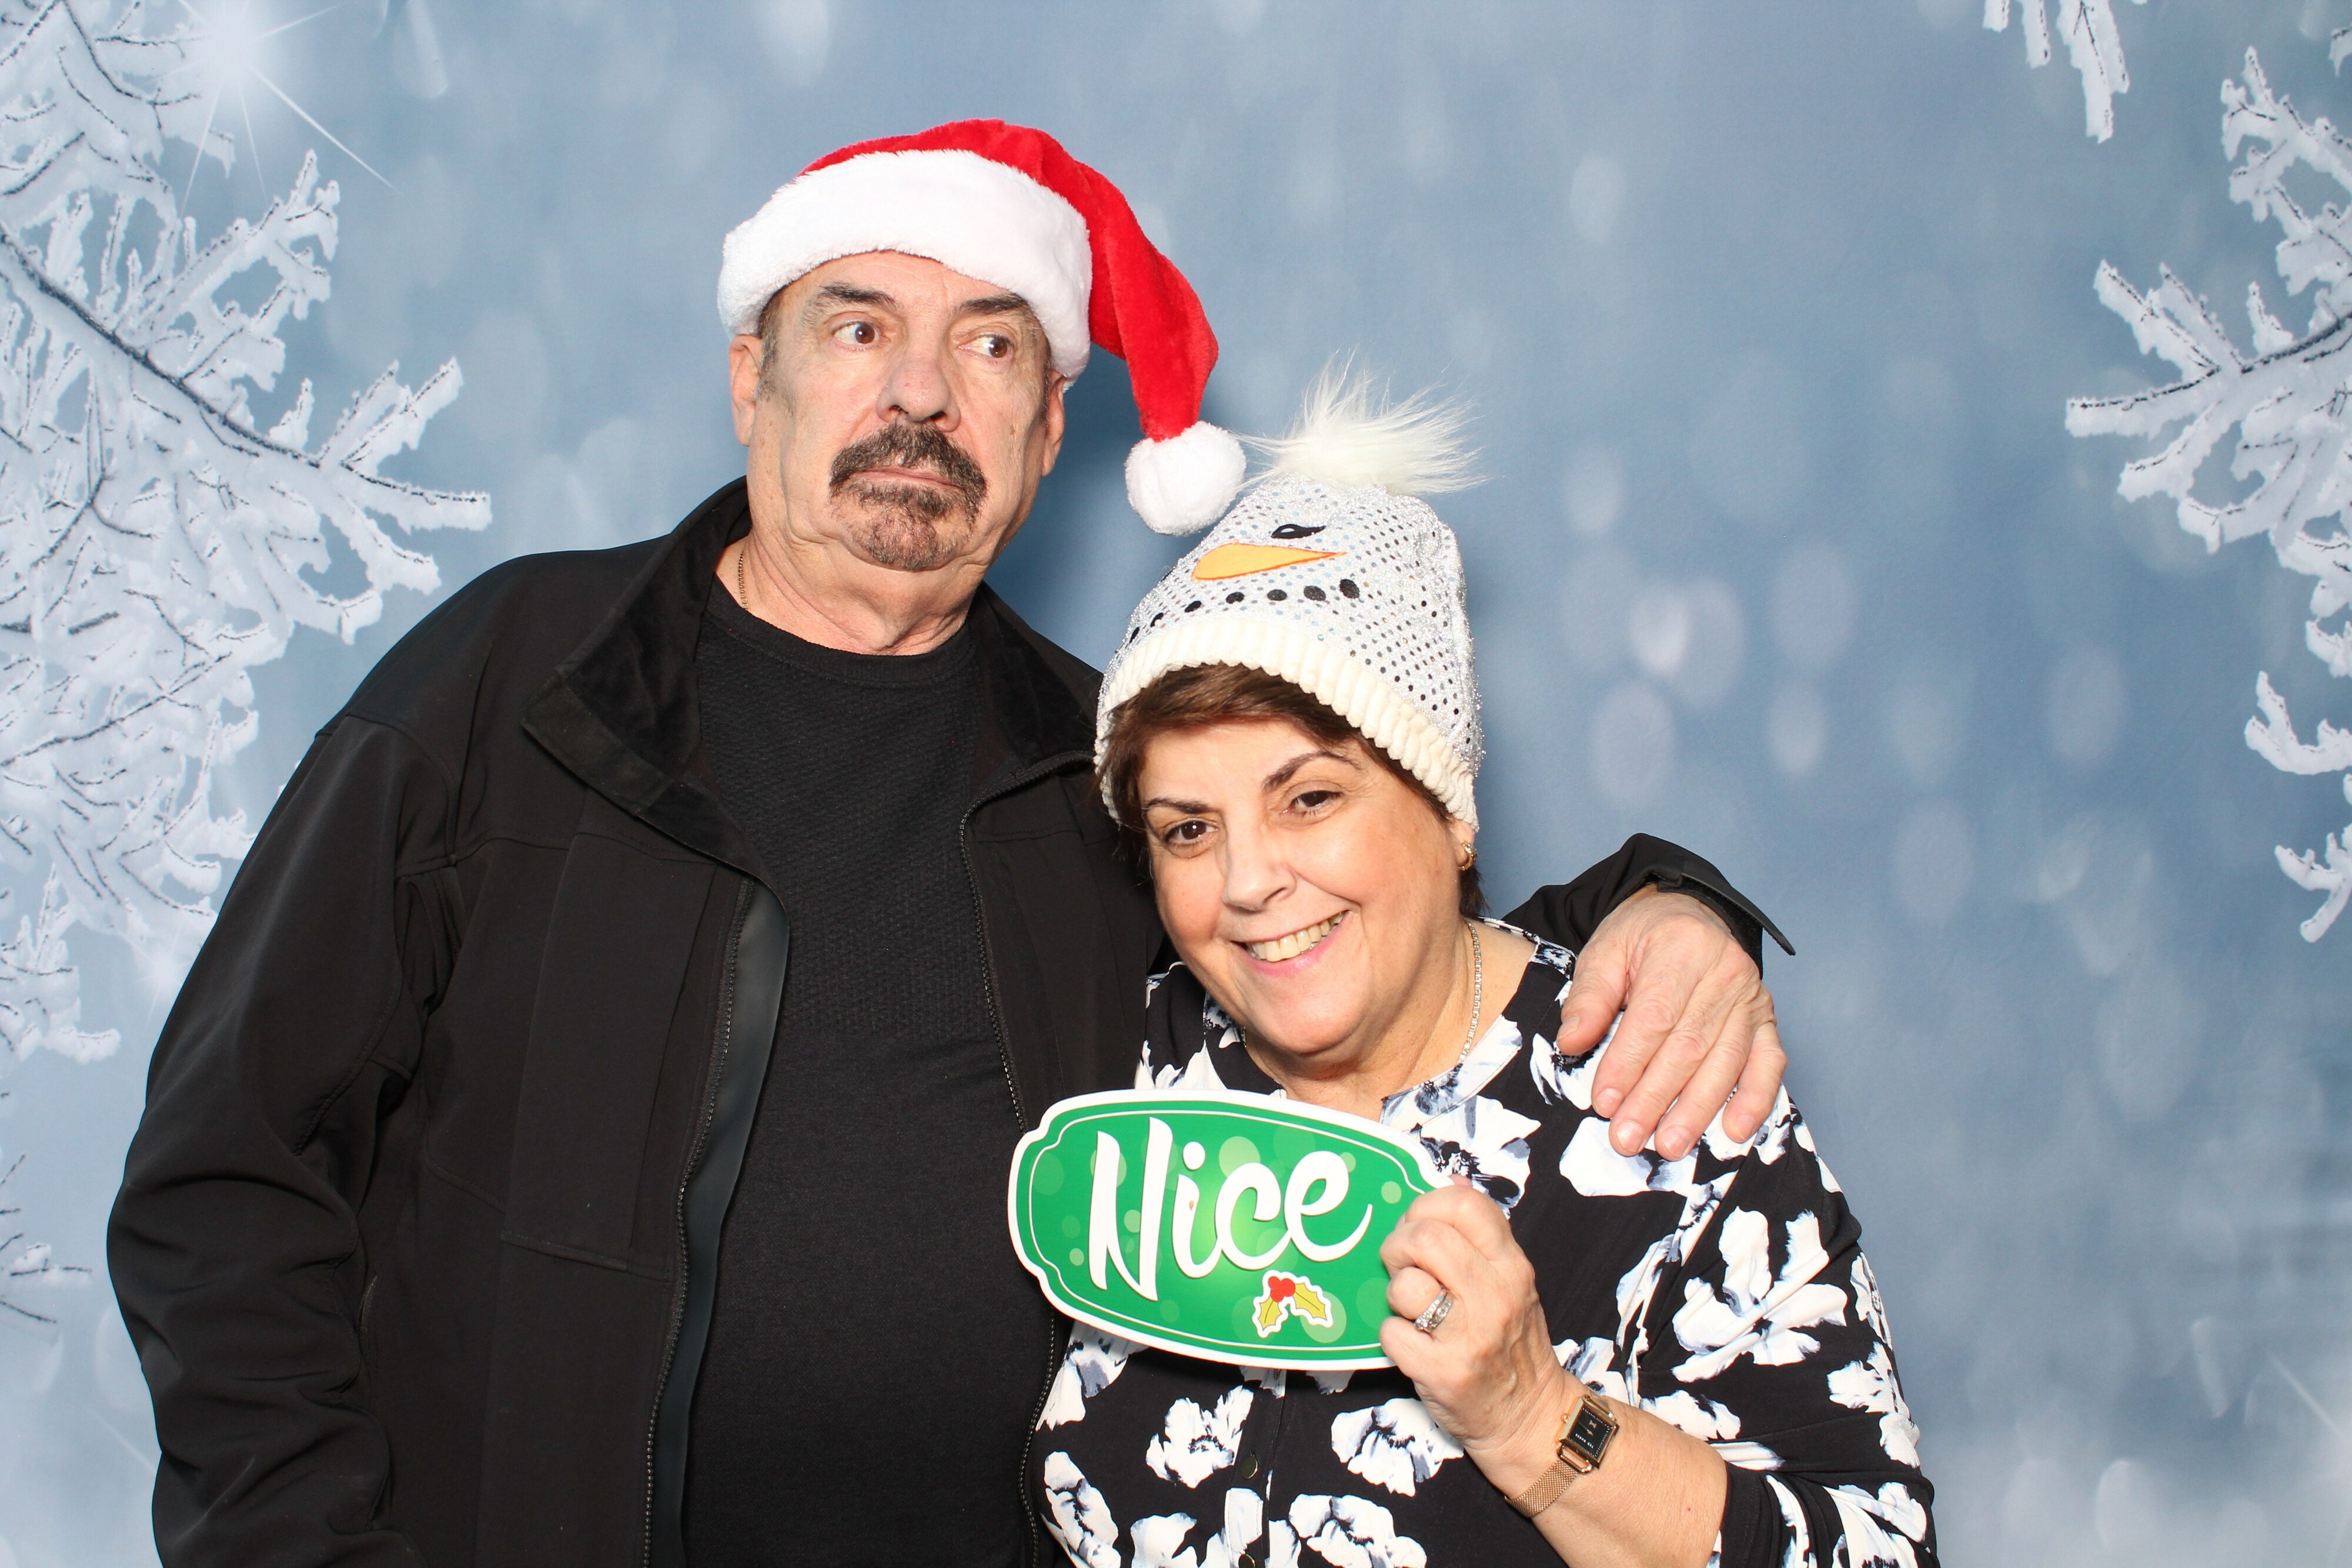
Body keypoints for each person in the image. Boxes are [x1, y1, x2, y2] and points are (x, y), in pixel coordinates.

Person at [107, 123, 1789, 1568]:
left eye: (990, 347)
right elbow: (223, 1179)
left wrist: (1660, 899)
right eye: (859, 326)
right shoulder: (512, 690)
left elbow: (1357, 946)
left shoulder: (1106, 768)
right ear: (751, 375)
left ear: (1050, 430)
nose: (920, 393)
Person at [1035, 380, 1932, 1567]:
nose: (1246, 881)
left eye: (1310, 798)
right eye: (1187, 828)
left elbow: (1878, 1551)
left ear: (1450, 808)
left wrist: (1533, 1416)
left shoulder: (1658, 1098)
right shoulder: (1135, 1065)